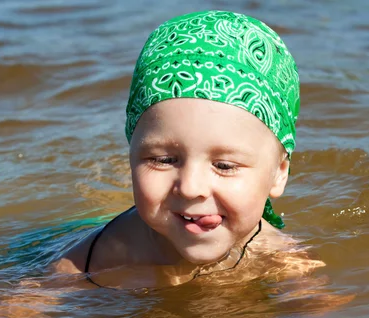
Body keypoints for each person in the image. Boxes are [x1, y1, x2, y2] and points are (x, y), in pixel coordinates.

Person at [52, 10, 324, 289]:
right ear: (132, 156)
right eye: (164, 160)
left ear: (279, 174)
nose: (191, 188)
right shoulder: (86, 263)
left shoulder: (282, 259)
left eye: (224, 165)